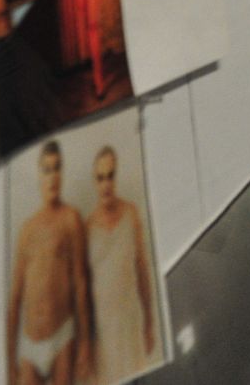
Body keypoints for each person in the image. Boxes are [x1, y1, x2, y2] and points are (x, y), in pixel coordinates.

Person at [7, 141, 91, 385]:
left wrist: (85, 342)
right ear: (38, 175)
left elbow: (80, 283)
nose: (52, 176)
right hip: (29, 341)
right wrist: (10, 357)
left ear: (62, 173)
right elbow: (15, 298)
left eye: (57, 168)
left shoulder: (70, 219)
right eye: (46, 169)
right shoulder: (27, 229)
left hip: (61, 336)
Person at [86, 146, 159, 382]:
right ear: (94, 181)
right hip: (104, 335)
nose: (105, 184)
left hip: (130, 323)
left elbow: (143, 272)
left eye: (110, 176)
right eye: (100, 178)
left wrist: (148, 323)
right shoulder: (87, 228)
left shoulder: (131, 214)